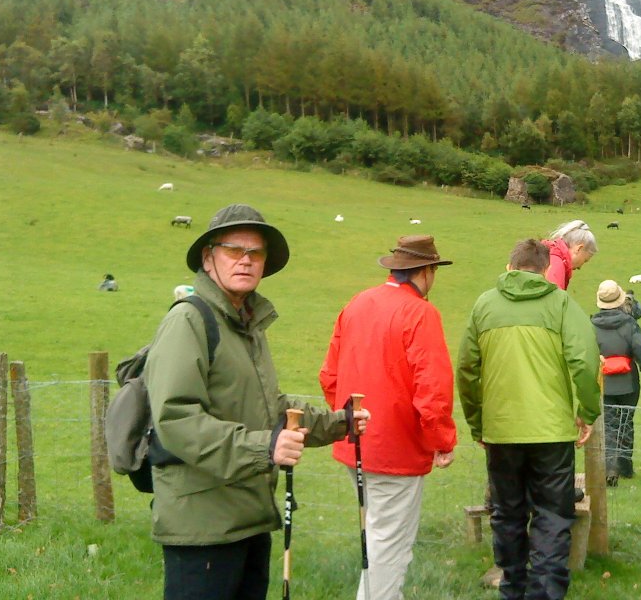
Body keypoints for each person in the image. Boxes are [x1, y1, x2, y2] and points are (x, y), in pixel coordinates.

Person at [144, 204, 369, 600]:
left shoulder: (247, 325)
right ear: (208, 257)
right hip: (203, 525)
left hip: (248, 516)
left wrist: (339, 423)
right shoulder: (189, 321)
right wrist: (264, 447)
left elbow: (272, 408)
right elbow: (176, 419)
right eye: (234, 250)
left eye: (256, 253)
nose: (246, 261)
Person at [457, 238, 601, 600]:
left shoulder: (484, 306)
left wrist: (478, 423)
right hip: (551, 433)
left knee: (507, 514)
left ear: (510, 267)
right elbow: (585, 361)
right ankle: (546, 592)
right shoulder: (562, 303)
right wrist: (586, 412)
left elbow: (467, 371)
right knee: (553, 516)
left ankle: (512, 588)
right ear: (543, 270)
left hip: (501, 431)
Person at [320, 234, 457, 600]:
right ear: (425, 271)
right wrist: (441, 441)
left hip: (355, 441)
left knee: (375, 539)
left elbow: (329, 376)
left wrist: (346, 421)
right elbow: (433, 388)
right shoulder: (420, 313)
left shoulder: (358, 302)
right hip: (396, 451)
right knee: (388, 548)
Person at [591, 279, 641, 487]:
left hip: (604, 382)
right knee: (626, 422)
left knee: (609, 424)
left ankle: (610, 465)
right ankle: (625, 467)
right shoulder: (630, 324)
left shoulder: (591, 325)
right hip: (628, 383)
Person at [542, 220, 598, 290]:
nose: (580, 267)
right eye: (585, 260)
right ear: (579, 249)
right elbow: (553, 300)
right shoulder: (557, 265)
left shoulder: (547, 252)